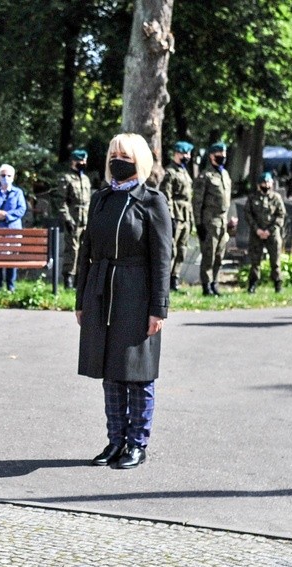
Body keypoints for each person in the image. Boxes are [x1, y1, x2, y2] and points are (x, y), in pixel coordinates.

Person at [75, 133, 171, 470]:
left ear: (139, 160)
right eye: (113, 154)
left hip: (137, 292)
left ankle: (137, 444)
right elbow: (86, 250)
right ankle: (115, 440)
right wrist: (81, 299)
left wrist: (158, 308)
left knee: (137, 372)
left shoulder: (152, 201)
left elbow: (162, 258)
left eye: (125, 156)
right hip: (101, 291)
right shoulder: (100, 199)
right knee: (111, 372)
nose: (117, 160)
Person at [192, 141, 232, 296]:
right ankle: (206, 285)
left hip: (222, 220)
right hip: (209, 221)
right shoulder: (205, 176)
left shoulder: (225, 174)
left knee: (219, 255)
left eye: (224, 154)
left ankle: (215, 283)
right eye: (219, 154)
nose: (222, 157)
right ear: (211, 156)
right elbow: (197, 202)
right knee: (209, 254)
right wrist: (198, 224)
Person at [0, 163, 27, 291]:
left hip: (13, 230)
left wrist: (7, 215)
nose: (6, 178)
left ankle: (11, 287)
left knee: (12, 257)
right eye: (3, 175)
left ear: (13, 177)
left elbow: (22, 209)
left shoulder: (18, 192)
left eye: (9, 175)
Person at [159, 141, 194, 292]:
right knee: (171, 249)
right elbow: (166, 196)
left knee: (182, 249)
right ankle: (165, 280)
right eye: (184, 153)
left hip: (185, 215)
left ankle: (175, 278)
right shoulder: (170, 173)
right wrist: (170, 217)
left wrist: (191, 218)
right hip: (176, 214)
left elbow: (188, 198)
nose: (187, 156)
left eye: (188, 154)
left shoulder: (185, 172)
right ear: (176, 154)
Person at [245, 172, 286, 294]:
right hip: (256, 233)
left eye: (268, 183)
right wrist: (257, 229)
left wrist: (270, 230)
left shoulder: (276, 198)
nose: (266, 185)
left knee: (275, 261)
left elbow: (281, 215)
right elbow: (248, 214)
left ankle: (278, 284)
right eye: (263, 183)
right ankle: (252, 285)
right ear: (258, 185)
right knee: (255, 262)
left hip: (272, 234)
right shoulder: (252, 198)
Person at [56, 149, 92, 289]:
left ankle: (80, 280)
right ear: (73, 162)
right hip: (73, 218)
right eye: (80, 160)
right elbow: (61, 201)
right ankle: (68, 279)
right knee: (72, 249)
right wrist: (67, 218)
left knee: (85, 250)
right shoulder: (66, 178)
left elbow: (88, 201)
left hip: (86, 219)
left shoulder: (86, 179)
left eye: (84, 160)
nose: (83, 163)